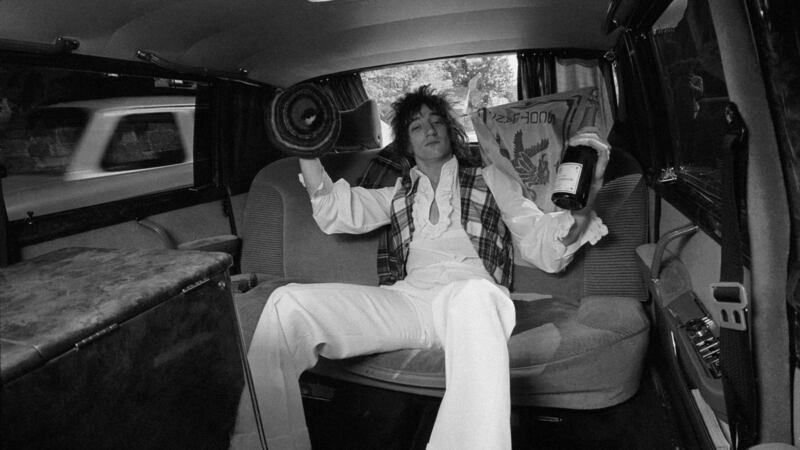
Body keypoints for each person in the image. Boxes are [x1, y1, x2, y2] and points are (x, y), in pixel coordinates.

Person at [233, 85, 610, 450]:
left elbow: (540, 240)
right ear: (406, 143)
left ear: (451, 129)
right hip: (409, 303)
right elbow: (334, 212)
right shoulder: (399, 191)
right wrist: (307, 147)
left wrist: (577, 209)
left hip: (469, 300)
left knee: (475, 295)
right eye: (417, 125)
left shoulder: (491, 178)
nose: (429, 129)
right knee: (287, 305)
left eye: (436, 122)